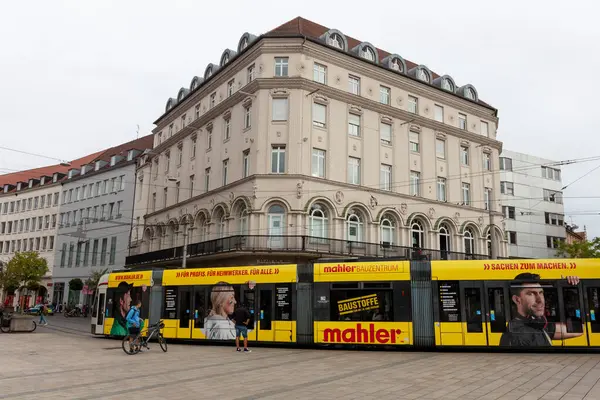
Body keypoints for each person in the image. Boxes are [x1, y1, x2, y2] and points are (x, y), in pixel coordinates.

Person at [500, 273, 583, 347]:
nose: (540, 300)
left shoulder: (538, 324)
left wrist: (571, 288)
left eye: (540, 293)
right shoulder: (517, 335)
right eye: (531, 294)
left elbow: (577, 330)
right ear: (517, 300)